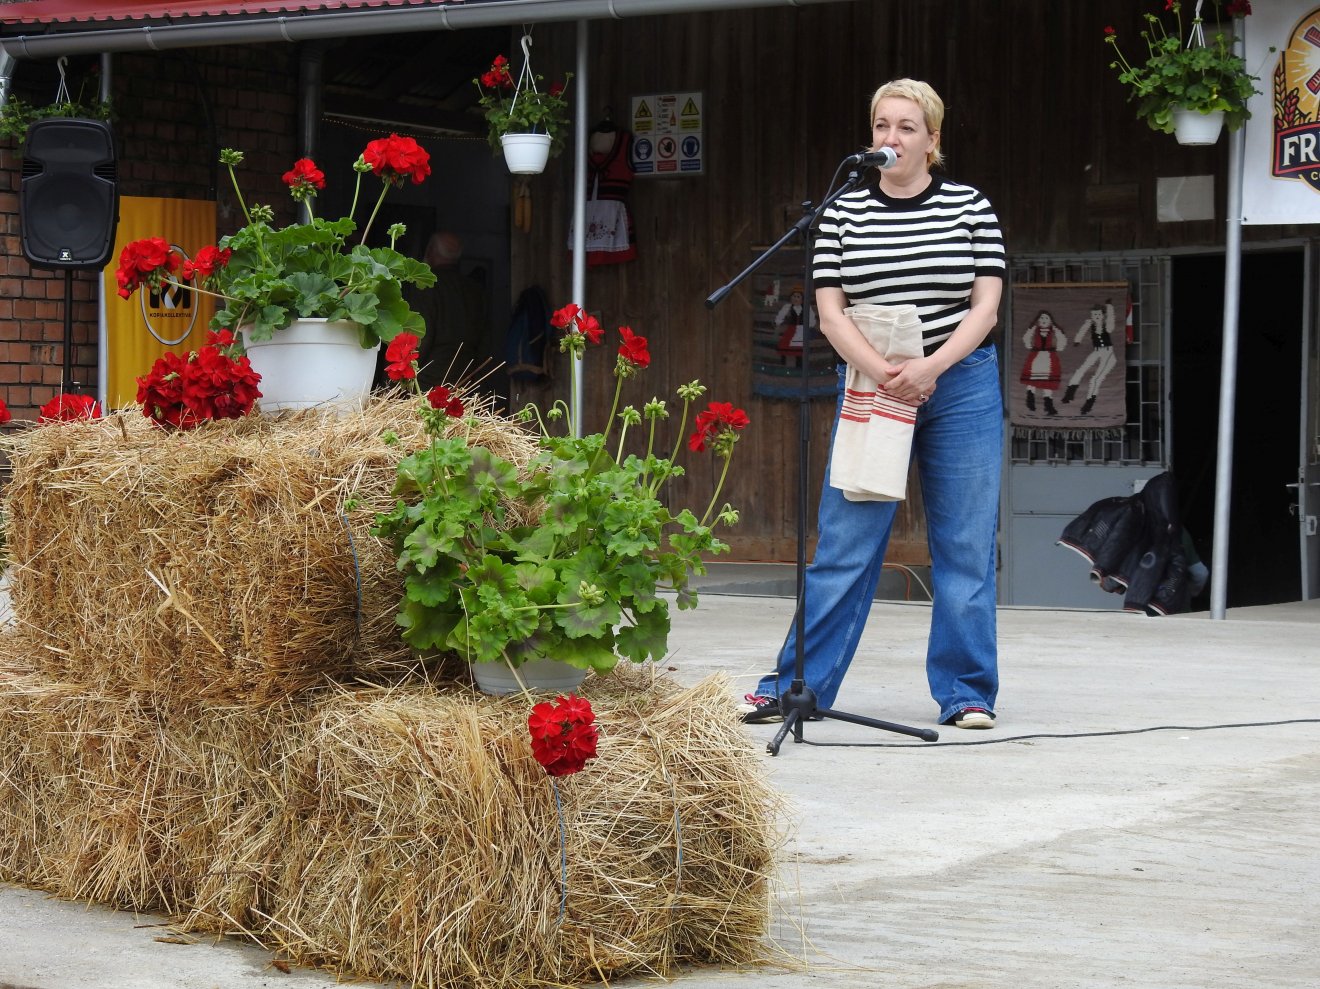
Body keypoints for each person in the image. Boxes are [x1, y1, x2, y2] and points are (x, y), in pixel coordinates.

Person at [741, 78, 1006, 731]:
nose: (892, 137)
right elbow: (829, 314)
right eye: (882, 125)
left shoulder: (972, 206)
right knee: (845, 542)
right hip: (870, 379)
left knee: (964, 545)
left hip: (960, 380)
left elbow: (987, 306)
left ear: (933, 140)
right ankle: (796, 685)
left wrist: (929, 369)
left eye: (907, 127)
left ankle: (966, 691)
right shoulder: (841, 213)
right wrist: (885, 371)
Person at [398, 231, 488, 390]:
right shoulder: (474, 290)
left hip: (428, 381)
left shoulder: (425, 286)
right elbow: (484, 339)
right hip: (464, 378)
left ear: (431, 250)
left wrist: (397, 383)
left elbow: (420, 337)